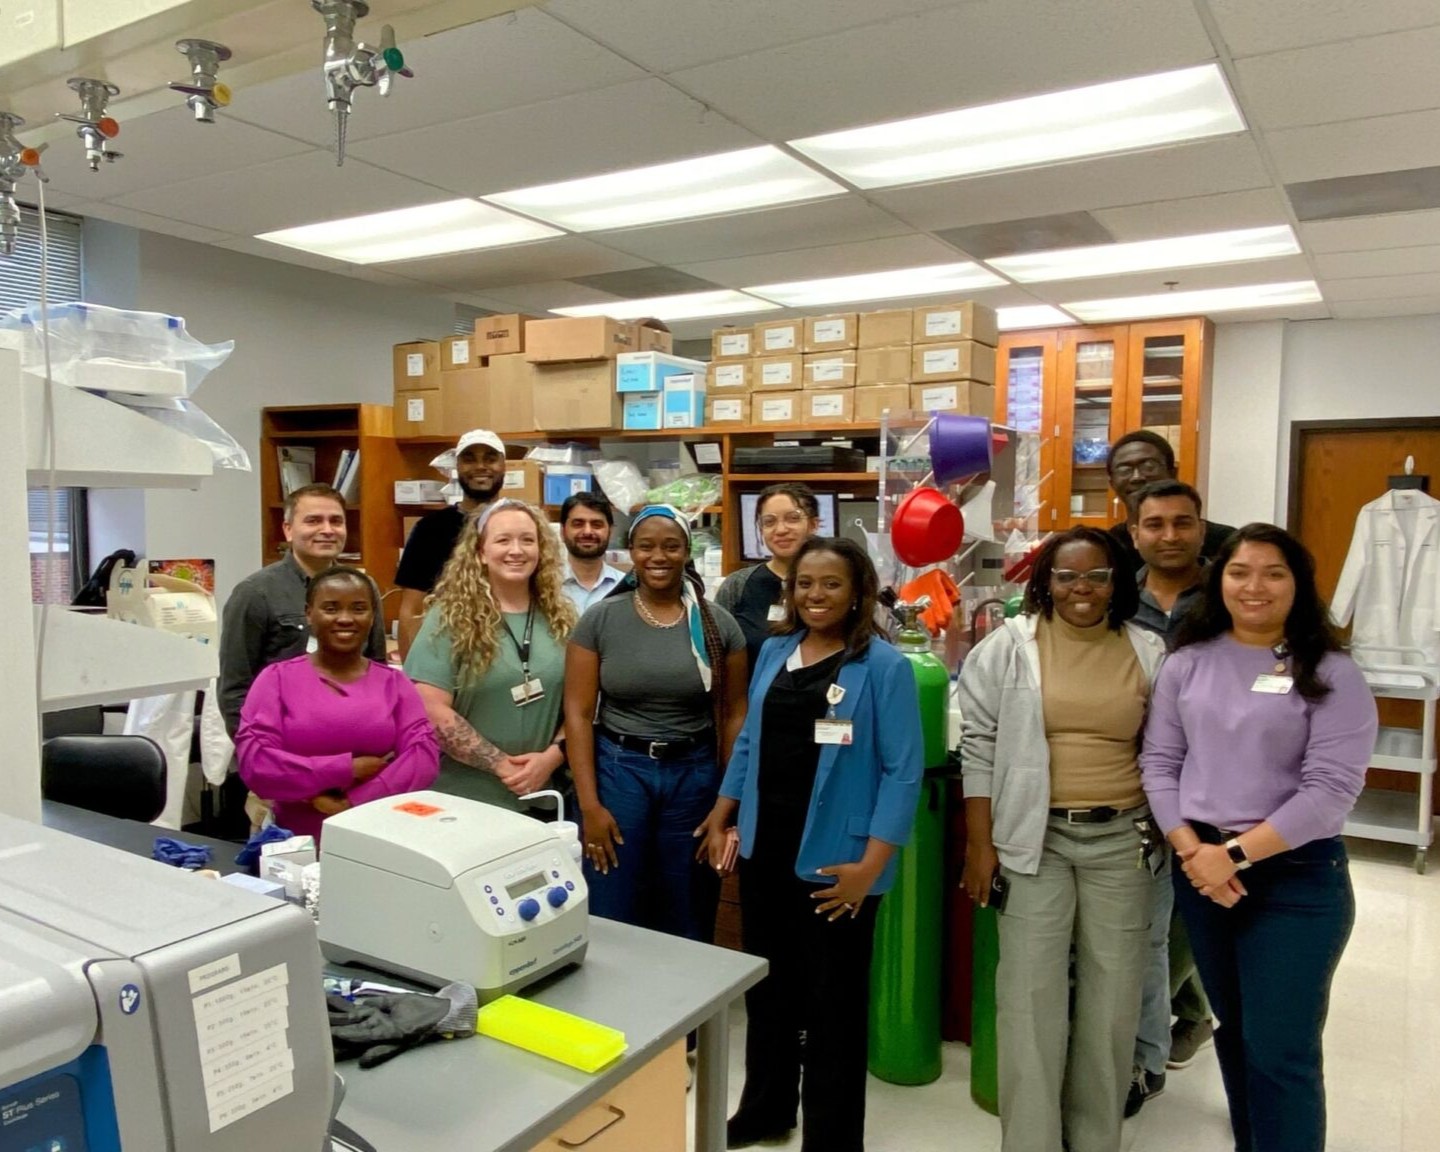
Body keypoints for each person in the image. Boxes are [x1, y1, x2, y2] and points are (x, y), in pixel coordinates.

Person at [1141, 525, 1377, 1152]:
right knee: (1237, 1031)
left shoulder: (1331, 672)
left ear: (1298, 585)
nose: (1255, 586)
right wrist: (1194, 852)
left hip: (1297, 878)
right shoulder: (1187, 661)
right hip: (1203, 873)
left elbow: (1330, 792)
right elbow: (1159, 763)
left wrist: (1232, 855)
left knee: (1282, 1049)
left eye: (1274, 572)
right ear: (1219, 581)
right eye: (1240, 571)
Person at [698, 537, 923, 1152]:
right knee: (770, 992)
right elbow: (749, 742)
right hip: (768, 852)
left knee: (833, 1009)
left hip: (838, 864)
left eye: (831, 584)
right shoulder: (775, 651)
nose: (815, 595)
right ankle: (767, 1108)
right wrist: (723, 809)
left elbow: (904, 772)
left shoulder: (883, 666)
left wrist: (871, 868)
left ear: (858, 594)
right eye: (804, 584)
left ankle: (833, 1138)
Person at [958, 527, 1166, 1152]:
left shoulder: (1148, 649)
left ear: (1116, 583)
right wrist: (979, 845)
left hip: (1123, 842)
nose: (1082, 588)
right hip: (1033, 841)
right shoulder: (1008, 648)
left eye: (1097, 576)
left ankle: (1096, 1138)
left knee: (1113, 1001)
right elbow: (979, 747)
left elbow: (1168, 749)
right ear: (1045, 580)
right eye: (1067, 575)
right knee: (1029, 999)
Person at [564, 505, 748, 944]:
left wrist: (726, 802)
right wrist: (589, 806)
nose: (658, 556)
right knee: (613, 901)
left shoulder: (717, 624)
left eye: (671, 546)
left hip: (694, 775)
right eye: (645, 546)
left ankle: (685, 1007)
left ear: (687, 552)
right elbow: (577, 712)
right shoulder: (601, 620)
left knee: (687, 904)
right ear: (629, 552)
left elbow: (735, 713)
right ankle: (612, 1010)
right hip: (619, 770)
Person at [1124, 478, 1216, 1118]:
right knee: (1147, 934)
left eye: (1181, 523)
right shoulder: (1112, 598)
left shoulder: (1230, 595)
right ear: (1135, 533)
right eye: (1154, 524)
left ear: (1200, 529)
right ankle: (1146, 1059)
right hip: (1136, 786)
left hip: (1218, 789)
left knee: (1204, 927)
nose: (1169, 535)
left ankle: (1189, 1024)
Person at [234, 567, 439, 840]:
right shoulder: (276, 680)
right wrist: (346, 769)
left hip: (381, 834)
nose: (345, 618)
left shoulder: (395, 684)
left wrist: (353, 802)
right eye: (331, 608)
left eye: (358, 608)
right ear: (309, 614)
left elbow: (422, 759)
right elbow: (256, 762)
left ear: (372, 615)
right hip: (296, 841)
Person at [404, 500, 577, 812]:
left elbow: (580, 703)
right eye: (503, 540)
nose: (517, 550)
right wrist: (502, 766)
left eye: (527, 540)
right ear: (481, 552)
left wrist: (551, 758)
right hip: (465, 801)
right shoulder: (449, 618)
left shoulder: (560, 617)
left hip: (543, 797)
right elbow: (430, 709)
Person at [219, 483, 386, 737]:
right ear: (288, 529)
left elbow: (377, 667)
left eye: (336, 521)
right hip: (282, 741)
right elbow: (235, 688)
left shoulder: (363, 587)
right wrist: (256, 752)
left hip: (352, 735)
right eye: (313, 521)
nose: (327, 530)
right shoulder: (256, 593)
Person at [395, 429, 508, 657]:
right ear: (457, 467)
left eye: (490, 458)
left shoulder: (520, 524)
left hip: (510, 651)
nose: (480, 466)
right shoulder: (430, 530)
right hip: (447, 655)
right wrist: (412, 680)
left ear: (504, 465)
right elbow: (411, 610)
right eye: (469, 459)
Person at [716, 483, 821, 669]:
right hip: (752, 695)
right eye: (769, 522)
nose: (781, 530)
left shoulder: (829, 585)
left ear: (813, 524)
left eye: (793, 518)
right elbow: (716, 652)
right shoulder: (736, 586)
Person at [1105, 430, 1234, 570]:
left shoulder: (1226, 542)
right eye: (1124, 470)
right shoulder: (1107, 546)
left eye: (1149, 467)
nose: (1137, 477)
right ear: (1112, 483)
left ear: (1172, 473)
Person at [559, 491, 624, 614]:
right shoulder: (545, 587)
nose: (587, 532)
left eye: (596, 524)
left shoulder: (626, 588)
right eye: (578, 524)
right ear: (562, 532)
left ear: (610, 532)